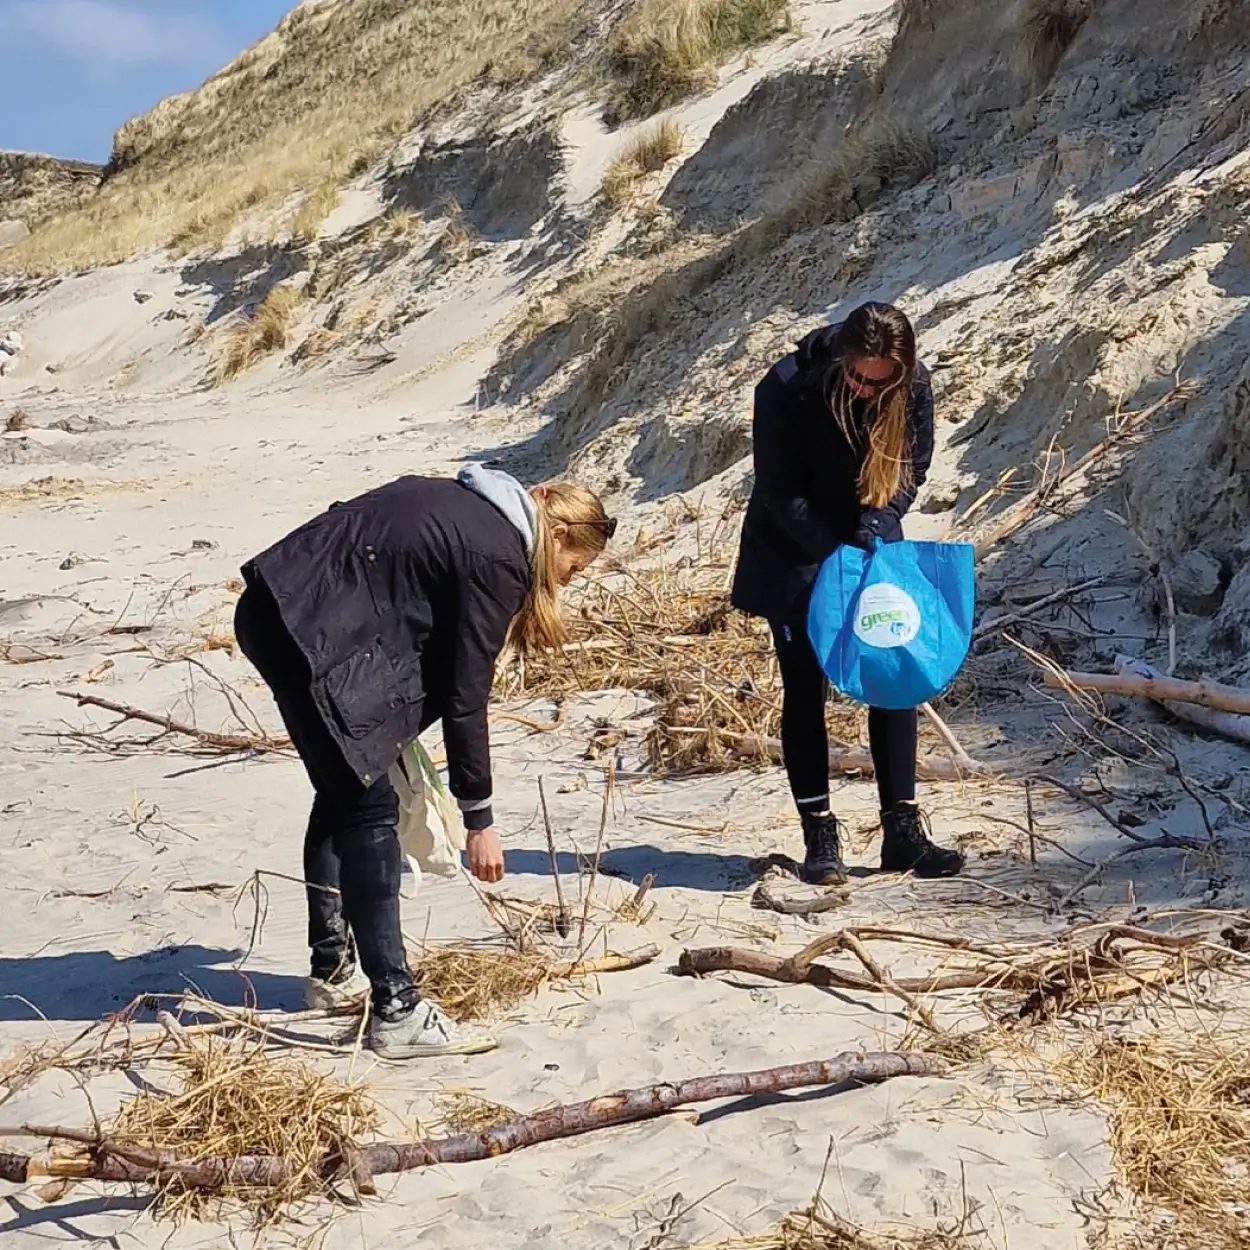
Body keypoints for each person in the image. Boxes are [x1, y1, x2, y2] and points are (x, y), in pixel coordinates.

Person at [234, 466, 613, 1058]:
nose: (566, 583)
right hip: (304, 627)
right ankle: (396, 1011)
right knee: (367, 807)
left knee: (347, 788)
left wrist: (392, 732)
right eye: (574, 570)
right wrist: (478, 818)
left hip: (276, 606)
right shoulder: (500, 558)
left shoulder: (464, 501)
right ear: (558, 535)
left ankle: (332, 972)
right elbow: (467, 694)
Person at [731, 301, 965, 886]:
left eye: (876, 382)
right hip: (796, 546)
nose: (864, 390)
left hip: (871, 543)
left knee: (895, 675)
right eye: (857, 377)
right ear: (841, 358)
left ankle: (902, 831)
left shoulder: (911, 386)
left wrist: (881, 522)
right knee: (804, 686)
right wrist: (833, 548)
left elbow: (913, 464)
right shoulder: (785, 386)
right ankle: (820, 834)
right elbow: (779, 490)